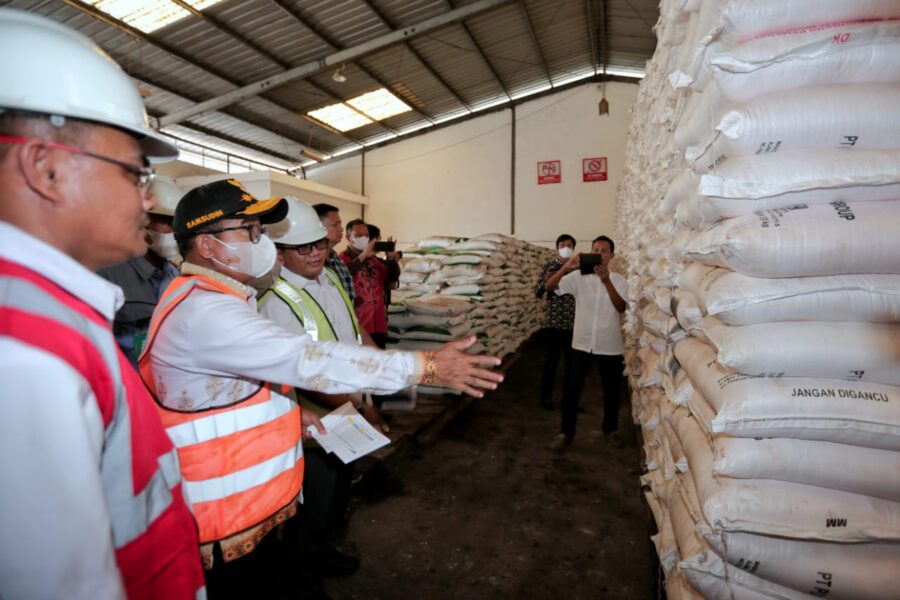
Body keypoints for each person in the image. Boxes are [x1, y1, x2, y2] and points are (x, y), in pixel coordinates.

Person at [138, 179, 503, 597]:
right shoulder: (208, 311)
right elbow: (308, 359)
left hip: (239, 507)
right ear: (207, 245)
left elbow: (226, 391)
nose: (262, 242)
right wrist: (427, 366)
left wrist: (288, 415)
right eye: (251, 231)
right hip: (219, 518)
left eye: (261, 231)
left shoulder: (213, 297)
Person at [0, 9, 205, 599]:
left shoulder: (52, 318)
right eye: (137, 174)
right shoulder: (27, 353)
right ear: (46, 169)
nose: (149, 201)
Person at [259, 198, 385, 582]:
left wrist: (381, 369)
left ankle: (325, 550)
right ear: (280, 253)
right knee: (316, 498)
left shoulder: (329, 279)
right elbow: (305, 376)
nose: (315, 253)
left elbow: (353, 331)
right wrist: (363, 405)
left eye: (319, 243)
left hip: (346, 407)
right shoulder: (276, 300)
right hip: (315, 421)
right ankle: (308, 570)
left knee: (339, 489)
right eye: (303, 248)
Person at [544, 235, 628, 450]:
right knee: (572, 389)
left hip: (609, 343)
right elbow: (550, 286)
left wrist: (606, 281)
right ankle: (565, 432)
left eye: (604, 251)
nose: (599, 254)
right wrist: (567, 267)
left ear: (612, 256)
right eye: (595, 250)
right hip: (582, 343)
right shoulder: (578, 278)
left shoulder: (619, 280)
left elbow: (621, 307)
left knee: (611, 390)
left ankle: (610, 429)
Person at [98, 176, 183, 366]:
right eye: (166, 222)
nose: (174, 231)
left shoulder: (175, 276)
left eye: (178, 224)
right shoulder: (108, 274)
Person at [534, 234, 577, 410]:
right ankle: (546, 397)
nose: (566, 248)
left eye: (569, 245)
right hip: (554, 322)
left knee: (572, 365)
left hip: (574, 323)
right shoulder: (549, 266)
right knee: (551, 361)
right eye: (562, 245)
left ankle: (569, 400)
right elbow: (539, 291)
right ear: (556, 248)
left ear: (573, 249)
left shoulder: (579, 269)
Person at [340, 218, 397, 348]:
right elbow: (342, 276)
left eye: (366, 235)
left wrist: (391, 259)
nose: (364, 238)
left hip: (378, 324)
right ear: (348, 237)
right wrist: (364, 254)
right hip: (357, 326)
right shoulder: (341, 259)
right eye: (358, 235)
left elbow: (391, 280)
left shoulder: (374, 261)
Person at [313, 202, 355, 302]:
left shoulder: (337, 260)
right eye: (335, 224)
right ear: (318, 226)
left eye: (340, 224)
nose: (341, 229)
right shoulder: (311, 263)